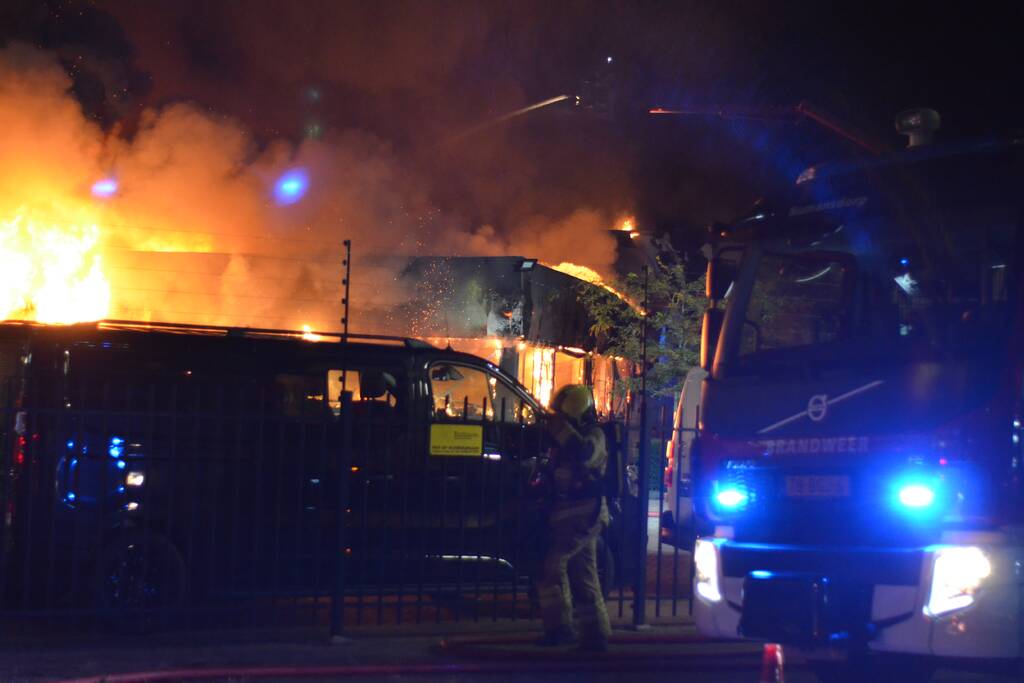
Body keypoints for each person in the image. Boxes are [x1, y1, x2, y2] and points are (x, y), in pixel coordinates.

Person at [535, 384, 611, 651]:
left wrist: (560, 430)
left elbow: (584, 455)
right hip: (570, 518)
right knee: (584, 576)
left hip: (585, 516)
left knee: (551, 568)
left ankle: (560, 629)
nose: (557, 420)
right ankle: (595, 637)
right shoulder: (564, 439)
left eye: (562, 416)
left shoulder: (595, 435)